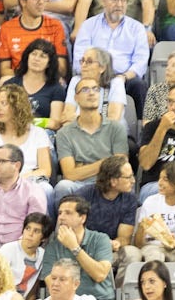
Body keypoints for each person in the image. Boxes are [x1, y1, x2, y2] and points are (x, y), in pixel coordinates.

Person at [72, 0, 150, 114]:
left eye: (123, 0)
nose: (119, 4)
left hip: (124, 77)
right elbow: (79, 58)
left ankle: (141, 128)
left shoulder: (136, 28)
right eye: (114, 0)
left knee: (139, 85)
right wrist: (94, 75)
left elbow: (141, 62)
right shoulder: (88, 25)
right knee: (75, 83)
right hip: (93, 77)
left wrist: (124, 77)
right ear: (103, 1)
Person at [53, 77, 129, 211]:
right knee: (63, 186)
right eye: (85, 89)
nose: (92, 93)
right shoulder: (64, 133)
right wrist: (106, 162)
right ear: (76, 98)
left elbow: (120, 166)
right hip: (78, 184)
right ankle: (61, 229)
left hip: (109, 183)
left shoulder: (116, 128)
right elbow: (70, 174)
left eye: (95, 89)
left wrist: (82, 167)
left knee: (123, 183)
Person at [0, 0, 67, 81]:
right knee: (4, 80)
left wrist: (39, 72)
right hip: (18, 79)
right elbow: (4, 70)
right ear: (23, 1)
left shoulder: (55, 26)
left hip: (47, 78)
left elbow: (62, 69)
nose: (41, 2)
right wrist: (28, 73)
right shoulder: (7, 28)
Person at [133, 163, 175, 288]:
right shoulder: (150, 202)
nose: (159, 183)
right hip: (152, 246)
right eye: (159, 178)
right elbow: (138, 244)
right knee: (155, 257)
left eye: (165, 179)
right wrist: (144, 227)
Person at [40, 194, 115, 300]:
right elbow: (52, 286)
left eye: (68, 213)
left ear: (82, 218)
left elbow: (100, 275)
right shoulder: (52, 247)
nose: (61, 217)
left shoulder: (101, 239)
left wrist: (74, 247)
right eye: (60, 213)